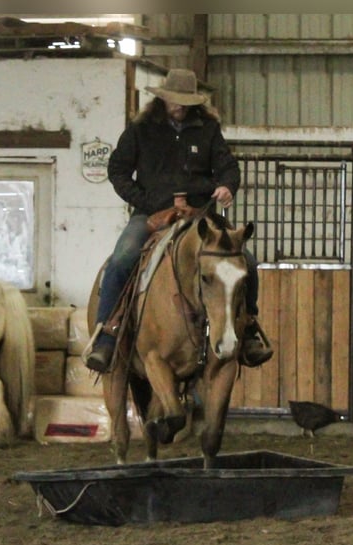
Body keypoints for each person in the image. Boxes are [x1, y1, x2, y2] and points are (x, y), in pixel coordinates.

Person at [85, 68, 273, 373]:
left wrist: (227, 185)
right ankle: (106, 334)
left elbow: (228, 167)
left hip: (201, 216)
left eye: (187, 102)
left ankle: (249, 327)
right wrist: (147, 203)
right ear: (164, 99)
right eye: (176, 101)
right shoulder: (141, 129)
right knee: (121, 260)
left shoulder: (208, 129)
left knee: (247, 263)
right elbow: (117, 170)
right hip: (152, 213)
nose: (181, 107)